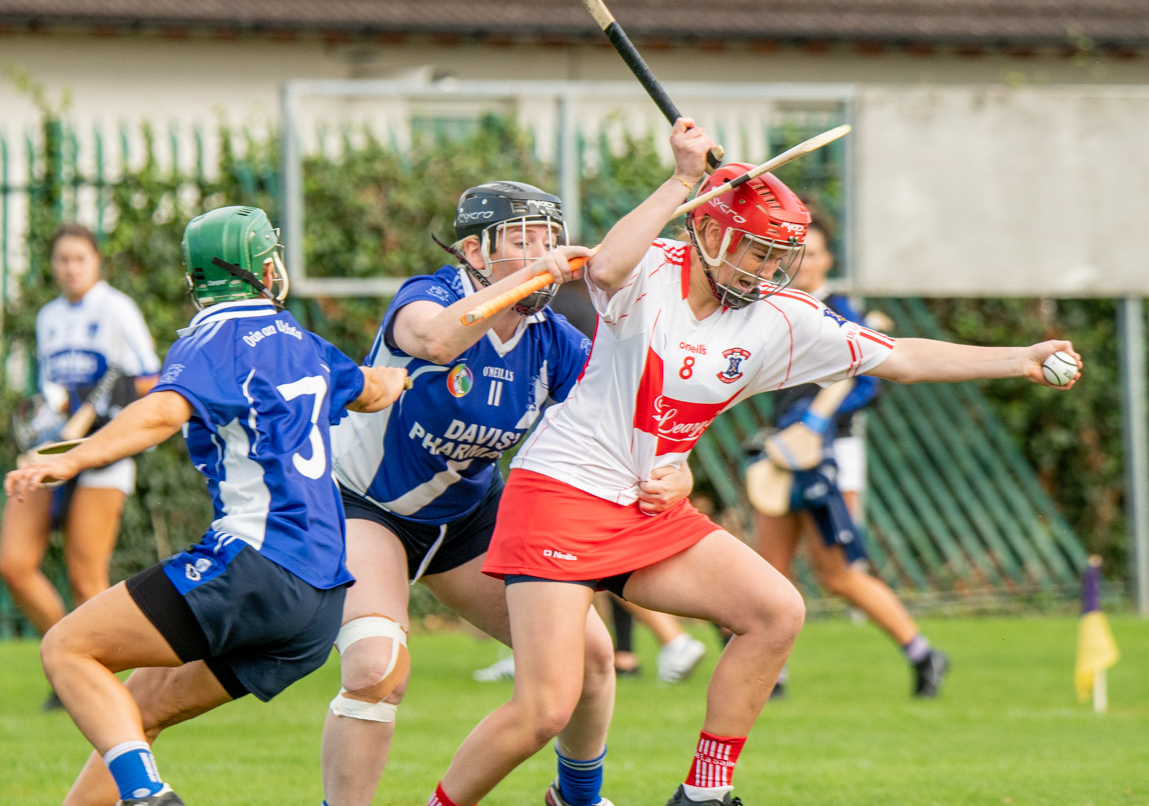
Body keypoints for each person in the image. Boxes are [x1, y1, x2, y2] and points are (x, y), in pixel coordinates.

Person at [422, 118, 1083, 806]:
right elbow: (607, 268)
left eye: (778, 258)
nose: (767, 273)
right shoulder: (649, 269)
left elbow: (904, 359)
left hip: (648, 510)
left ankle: (704, 793)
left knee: (775, 611)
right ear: (705, 232)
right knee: (543, 711)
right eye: (754, 253)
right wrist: (683, 177)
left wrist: (1018, 360)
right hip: (560, 494)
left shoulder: (781, 317)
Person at [3, 205, 408, 806]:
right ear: (261, 269)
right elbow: (375, 390)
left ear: (199, 279)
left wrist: (74, 456)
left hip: (258, 566)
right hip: (321, 599)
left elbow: (164, 410)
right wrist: (409, 374)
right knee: (133, 712)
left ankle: (148, 798)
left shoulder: (211, 337)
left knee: (65, 647)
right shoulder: (303, 340)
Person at [322, 181, 692, 806]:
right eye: (522, 241)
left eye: (549, 238)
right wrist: (521, 283)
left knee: (591, 657)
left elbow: (630, 416)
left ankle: (576, 797)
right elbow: (436, 341)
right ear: (474, 252)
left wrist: (673, 467)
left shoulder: (552, 340)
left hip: (465, 519)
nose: (543, 252)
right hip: (368, 506)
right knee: (374, 670)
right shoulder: (431, 296)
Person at [749, 217, 948, 698]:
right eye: (797, 254)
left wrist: (818, 420)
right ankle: (770, 675)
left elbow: (869, 384)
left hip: (832, 453)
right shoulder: (774, 308)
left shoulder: (842, 312)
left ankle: (923, 654)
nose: (805, 263)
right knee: (768, 567)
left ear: (827, 260)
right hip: (782, 449)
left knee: (836, 573)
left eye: (814, 253)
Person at [473, 279, 707, 686]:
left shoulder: (551, 309)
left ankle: (672, 639)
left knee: (584, 564)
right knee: (587, 568)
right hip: (601, 447)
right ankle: (624, 650)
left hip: (571, 455)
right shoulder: (592, 306)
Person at [0, 223, 161, 709]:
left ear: (97, 262)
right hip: (56, 453)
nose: (70, 268)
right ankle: (69, 660)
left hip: (103, 453)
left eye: (79, 259)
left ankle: (96, 679)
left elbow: (151, 380)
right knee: (13, 562)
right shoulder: (48, 318)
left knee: (87, 578)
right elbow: (54, 394)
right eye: (62, 259)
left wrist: (93, 406)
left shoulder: (117, 309)